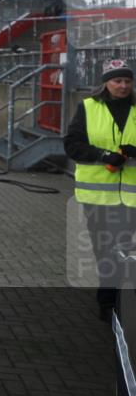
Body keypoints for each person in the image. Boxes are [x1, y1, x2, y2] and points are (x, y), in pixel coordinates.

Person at [63, 58, 135, 321]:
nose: (123, 85)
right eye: (118, 80)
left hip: (132, 200)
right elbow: (72, 145)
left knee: (125, 251)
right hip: (98, 198)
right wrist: (104, 155)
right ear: (106, 83)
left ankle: (118, 299)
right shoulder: (89, 107)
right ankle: (108, 303)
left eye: (128, 81)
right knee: (105, 250)